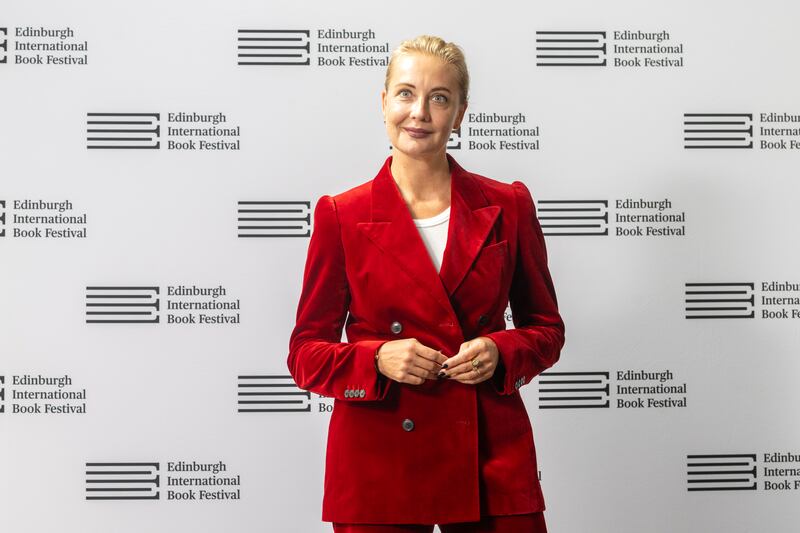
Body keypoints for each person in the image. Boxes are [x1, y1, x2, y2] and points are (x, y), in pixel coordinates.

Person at [287, 35, 565, 533]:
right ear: (384, 103)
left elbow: (546, 328)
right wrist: (375, 358)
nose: (420, 112)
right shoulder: (341, 215)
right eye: (406, 93)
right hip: (380, 462)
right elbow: (306, 353)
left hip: (490, 457)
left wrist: (502, 351)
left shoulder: (509, 205)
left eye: (440, 98)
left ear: (460, 114)